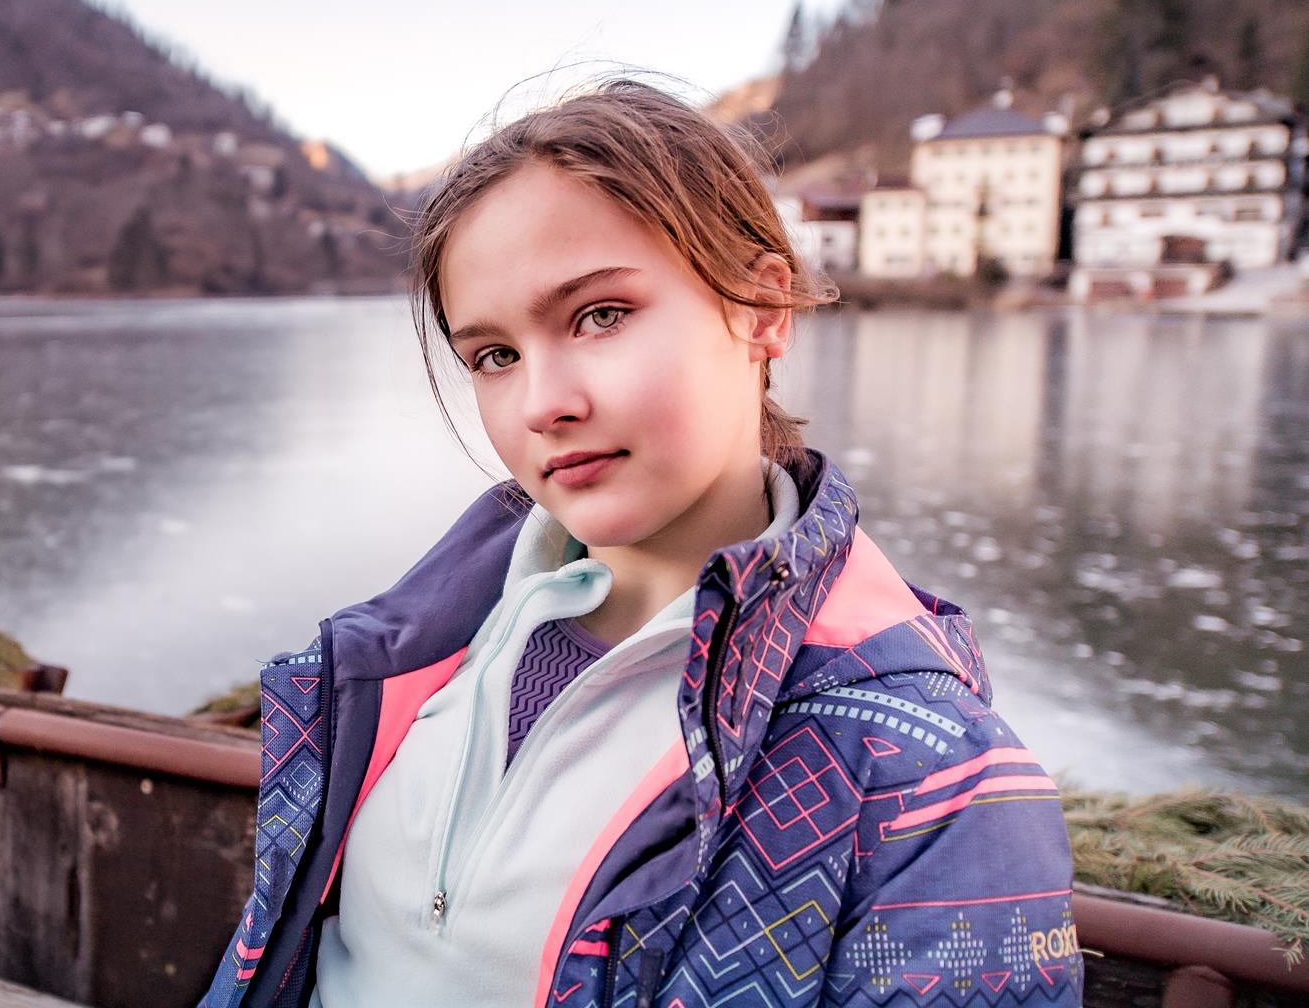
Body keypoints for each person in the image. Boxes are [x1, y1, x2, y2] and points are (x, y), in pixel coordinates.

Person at [198, 76, 1082, 1008]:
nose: (542, 404)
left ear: (761, 307)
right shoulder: (413, 653)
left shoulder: (930, 783)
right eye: (494, 356)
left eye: (600, 316)